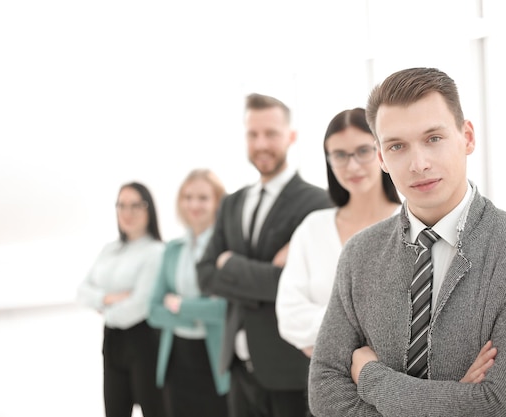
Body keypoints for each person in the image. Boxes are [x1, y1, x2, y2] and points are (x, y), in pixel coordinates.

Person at [308, 67, 506, 417]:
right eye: (397, 146)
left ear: (467, 137)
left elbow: (498, 407)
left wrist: (370, 376)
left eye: (434, 139)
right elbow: (324, 391)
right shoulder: (359, 254)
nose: (418, 164)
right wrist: (454, 399)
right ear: (381, 157)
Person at [197, 93, 333, 417]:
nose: (261, 143)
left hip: (289, 370)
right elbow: (204, 274)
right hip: (238, 366)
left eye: (271, 133)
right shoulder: (231, 203)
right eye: (253, 134)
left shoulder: (317, 204)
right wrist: (265, 276)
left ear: (291, 136)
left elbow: (295, 283)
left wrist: (230, 265)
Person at [276, 107, 401, 360]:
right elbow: (289, 317)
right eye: (340, 155)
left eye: (363, 151)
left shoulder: (410, 224)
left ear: (381, 150)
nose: (352, 165)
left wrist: (328, 338)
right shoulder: (313, 228)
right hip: (328, 387)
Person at [77, 182, 168, 417]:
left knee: (154, 410)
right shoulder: (111, 249)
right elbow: (82, 291)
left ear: (149, 209)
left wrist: (102, 306)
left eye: (135, 205)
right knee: (115, 410)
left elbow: (139, 306)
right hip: (113, 341)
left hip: (145, 341)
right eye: (122, 206)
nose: (127, 213)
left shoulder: (156, 252)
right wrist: (108, 297)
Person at [148, 168, 229, 417]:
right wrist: (198, 311)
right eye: (188, 197)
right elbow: (153, 311)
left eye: (203, 198)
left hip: (213, 358)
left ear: (217, 202)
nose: (194, 204)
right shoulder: (173, 250)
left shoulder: (226, 249)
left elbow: (223, 310)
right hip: (176, 358)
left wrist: (179, 305)